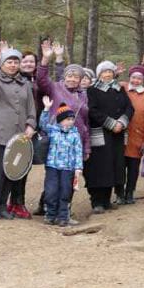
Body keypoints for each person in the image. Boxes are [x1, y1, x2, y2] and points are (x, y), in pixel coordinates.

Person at [0, 46, 36, 219]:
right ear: (3, 63)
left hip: (18, 136)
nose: (12, 65)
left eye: (15, 62)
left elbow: (31, 109)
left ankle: (3, 205)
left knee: (12, 170)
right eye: (8, 62)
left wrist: (31, 125)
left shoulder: (25, 83)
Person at [36, 41, 91, 214]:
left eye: (76, 77)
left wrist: (87, 147)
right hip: (55, 141)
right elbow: (42, 80)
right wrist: (46, 59)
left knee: (69, 178)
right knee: (53, 177)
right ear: (65, 76)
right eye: (70, 75)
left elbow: (86, 123)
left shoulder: (84, 96)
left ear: (81, 80)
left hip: (76, 141)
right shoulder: (55, 88)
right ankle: (47, 207)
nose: (73, 79)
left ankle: (64, 211)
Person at [86, 61, 132, 213]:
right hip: (101, 133)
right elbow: (92, 111)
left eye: (109, 72)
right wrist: (112, 124)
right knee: (99, 168)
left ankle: (106, 200)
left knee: (114, 167)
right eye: (103, 72)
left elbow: (129, 108)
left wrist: (122, 122)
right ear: (99, 75)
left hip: (117, 135)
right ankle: (96, 201)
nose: (107, 75)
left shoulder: (120, 89)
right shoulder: (92, 90)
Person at [6, 49, 41, 218]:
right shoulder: (16, 79)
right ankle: (11, 202)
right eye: (25, 61)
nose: (28, 64)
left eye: (31, 62)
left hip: (32, 127)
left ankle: (18, 201)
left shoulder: (38, 81)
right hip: (14, 127)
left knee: (24, 167)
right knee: (11, 165)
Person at [39, 99, 83, 227]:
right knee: (51, 191)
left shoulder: (75, 134)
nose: (70, 121)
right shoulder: (53, 130)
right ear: (60, 119)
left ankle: (63, 216)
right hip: (52, 166)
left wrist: (78, 168)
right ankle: (50, 215)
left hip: (68, 168)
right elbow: (42, 124)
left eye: (72, 119)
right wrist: (46, 109)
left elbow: (78, 151)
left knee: (65, 192)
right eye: (67, 119)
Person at [119, 65, 144, 204]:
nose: (136, 80)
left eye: (139, 78)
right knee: (119, 166)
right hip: (120, 135)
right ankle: (119, 193)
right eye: (133, 77)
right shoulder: (122, 87)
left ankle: (129, 193)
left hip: (138, 136)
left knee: (133, 167)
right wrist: (116, 74)